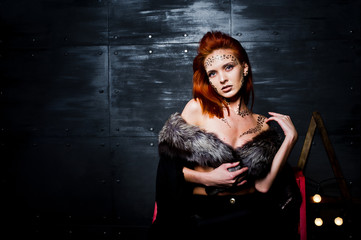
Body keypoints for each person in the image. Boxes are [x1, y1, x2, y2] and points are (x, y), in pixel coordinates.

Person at [149, 31, 301, 240]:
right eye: (212, 73)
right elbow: (169, 171)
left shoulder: (262, 124)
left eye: (229, 67)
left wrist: (290, 140)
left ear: (244, 68)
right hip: (203, 217)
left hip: (250, 216)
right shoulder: (197, 109)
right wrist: (208, 179)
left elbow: (263, 186)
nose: (222, 79)